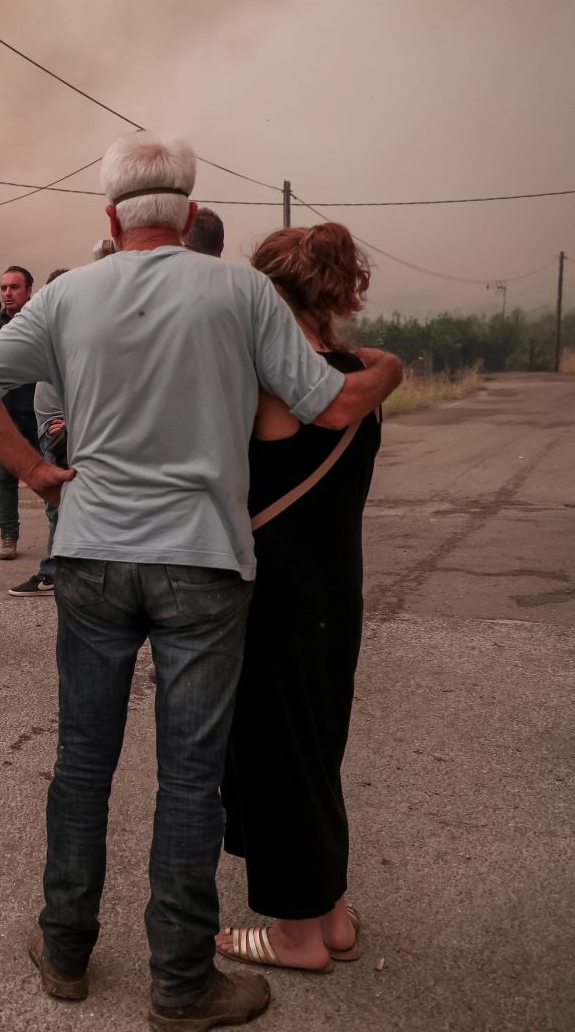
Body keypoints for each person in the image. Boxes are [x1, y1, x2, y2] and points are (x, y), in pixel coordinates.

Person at [0, 132, 403, 1029]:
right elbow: (332, 403)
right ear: (190, 216)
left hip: (90, 556)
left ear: (110, 219)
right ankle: (181, 982)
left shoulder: (68, 295)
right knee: (188, 777)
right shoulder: (236, 291)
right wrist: (387, 366)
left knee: (82, 762)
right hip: (202, 560)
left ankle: (66, 949)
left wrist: (40, 477)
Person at [217, 224, 381, 974]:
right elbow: (371, 375)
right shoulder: (356, 374)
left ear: (268, 293)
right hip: (335, 584)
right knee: (317, 743)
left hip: (273, 588)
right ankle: (331, 912)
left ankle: (294, 935)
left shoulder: (267, 379)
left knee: (273, 749)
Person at [10, 268, 71, 598]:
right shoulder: (55, 333)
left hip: (60, 434)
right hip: (50, 431)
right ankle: (57, 571)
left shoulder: (71, 336)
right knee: (57, 506)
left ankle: (53, 572)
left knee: (59, 506)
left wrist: (71, 422)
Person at [0, 266, 41, 561]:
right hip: (5, 410)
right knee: (5, 478)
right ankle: (8, 536)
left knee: (49, 474)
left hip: (38, 409)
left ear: (29, 291)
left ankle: (62, 536)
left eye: (14, 287)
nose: (7, 293)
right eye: (4, 287)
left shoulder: (39, 320)